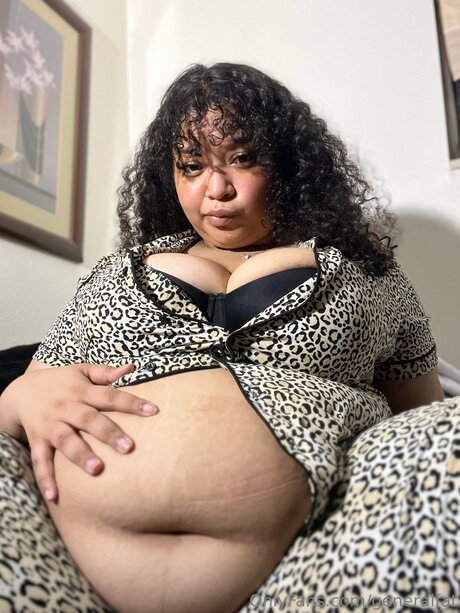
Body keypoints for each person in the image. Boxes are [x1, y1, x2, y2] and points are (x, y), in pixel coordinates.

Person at [0, 63, 444, 612]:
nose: (217, 190)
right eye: (192, 166)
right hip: (58, 567)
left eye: (242, 158)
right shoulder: (113, 273)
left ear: (288, 163)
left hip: (319, 561)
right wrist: (22, 396)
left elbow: (423, 418)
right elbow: (26, 397)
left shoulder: (370, 274)